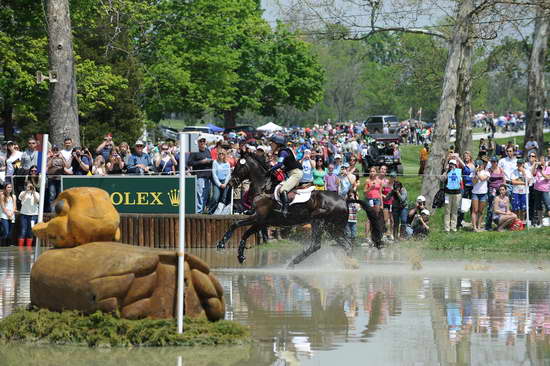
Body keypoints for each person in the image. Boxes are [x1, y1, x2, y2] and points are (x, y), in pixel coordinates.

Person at [267, 135, 303, 217]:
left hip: (295, 174)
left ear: (277, 144)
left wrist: (270, 169)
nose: (270, 144)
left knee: (283, 189)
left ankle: (285, 210)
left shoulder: (283, 152)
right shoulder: (283, 151)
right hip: (292, 173)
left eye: (272, 143)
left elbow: (279, 164)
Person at [188, 137, 213, 214]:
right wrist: (202, 162)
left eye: (203, 141)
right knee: (199, 195)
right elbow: (189, 163)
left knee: (205, 195)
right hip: (199, 176)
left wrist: (211, 161)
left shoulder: (208, 151)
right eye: (200, 141)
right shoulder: (194, 152)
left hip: (208, 176)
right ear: (198, 143)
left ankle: (201, 211)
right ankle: (198, 212)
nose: (202, 142)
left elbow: (210, 161)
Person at [441, 158, 462, 233]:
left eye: (453, 164)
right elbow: (442, 179)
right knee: (447, 211)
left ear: (455, 165)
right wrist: (446, 171)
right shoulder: (446, 172)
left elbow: (460, 181)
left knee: (454, 211)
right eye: (450, 164)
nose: (452, 165)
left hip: (457, 194)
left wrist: (455, 173)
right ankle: (447, 228)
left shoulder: (458, 172)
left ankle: (453, 227)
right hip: (448, 194)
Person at [209, 149, 231, 214]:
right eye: (220, 153)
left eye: (222, 154)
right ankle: (210, 211)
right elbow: (214, 174)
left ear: (225, 155)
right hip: (217, 181)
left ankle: (220, 213)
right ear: (218, 155)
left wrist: (225, 183)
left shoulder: (227, 163)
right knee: (215, 197)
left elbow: (228, 174)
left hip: (225, 181)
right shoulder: (215, 162)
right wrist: (219, 184)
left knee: (223, 198)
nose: (221, 155)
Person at [18, 182, 39, 248]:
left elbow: (37, 201)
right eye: (28, 186)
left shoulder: (36, 193)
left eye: (31, 186)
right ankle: (20, 248)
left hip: (33, 214)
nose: (30, 188)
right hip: (24, 214)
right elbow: (20, 198)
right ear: (25, 186)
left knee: (30, 231)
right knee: (23, 230)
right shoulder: (23, 192)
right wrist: (26, 191)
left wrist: (33, 192)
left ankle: (28, 247)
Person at [471, 160, 490, 232]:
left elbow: (482, 179)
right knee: (475, 210)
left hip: (483, 193)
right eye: (477, 165)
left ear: (482, 165)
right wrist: (475, 173)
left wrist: (477, 173)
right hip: (475, 193)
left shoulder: (486, 172)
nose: (478, 166)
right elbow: (474, 182)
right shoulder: (473, 172)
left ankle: (479, 226)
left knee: (481, 211)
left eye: (479, 165)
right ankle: (474, 227)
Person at [389, 172, 408, 240]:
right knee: (396, 222)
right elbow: (387, 198)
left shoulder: (403, 190)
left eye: (398, 188)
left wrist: (398, 193)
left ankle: (402, 236)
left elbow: (402, 199)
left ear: (400, 187)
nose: (397, 189)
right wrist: (391, 192)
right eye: (395, 188)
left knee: (403, 221)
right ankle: (395, 237)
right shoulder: (393, 190)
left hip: (403, 207)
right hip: (396, 208)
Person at [532, 158, 550, 227]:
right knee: (539, 207)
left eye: (542, 160)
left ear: (545, 161)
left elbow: (548, 178)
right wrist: (535, 164)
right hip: (537, 190)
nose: (541, 162)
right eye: (540, 161)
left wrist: (542, 171)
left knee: (548, 206)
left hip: (545, 190)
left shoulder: (548, 168)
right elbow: (532, 173)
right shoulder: (537, 169)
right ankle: (541, 223)